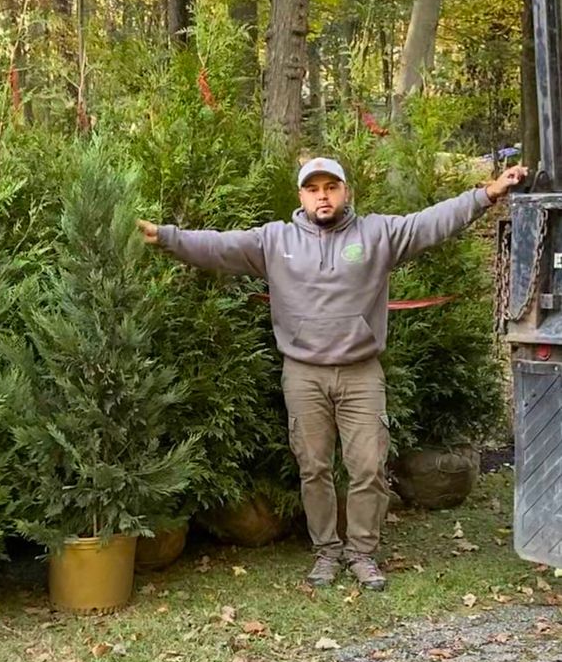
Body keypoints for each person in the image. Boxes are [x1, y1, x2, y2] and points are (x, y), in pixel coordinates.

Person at [138, 156, 528, 591]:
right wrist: (166, 237)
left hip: (362, 373)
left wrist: (486, 195)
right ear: (301, 196)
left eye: (331, 187)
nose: (322, 196)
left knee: (368, 468)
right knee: (314, 469)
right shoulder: (274, 241)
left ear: (346, 192)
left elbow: (430, 223)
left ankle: (361, 553)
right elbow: (218, 246)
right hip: (303, 375)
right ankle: (326, 552)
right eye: (313, 189)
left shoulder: (377, 234)